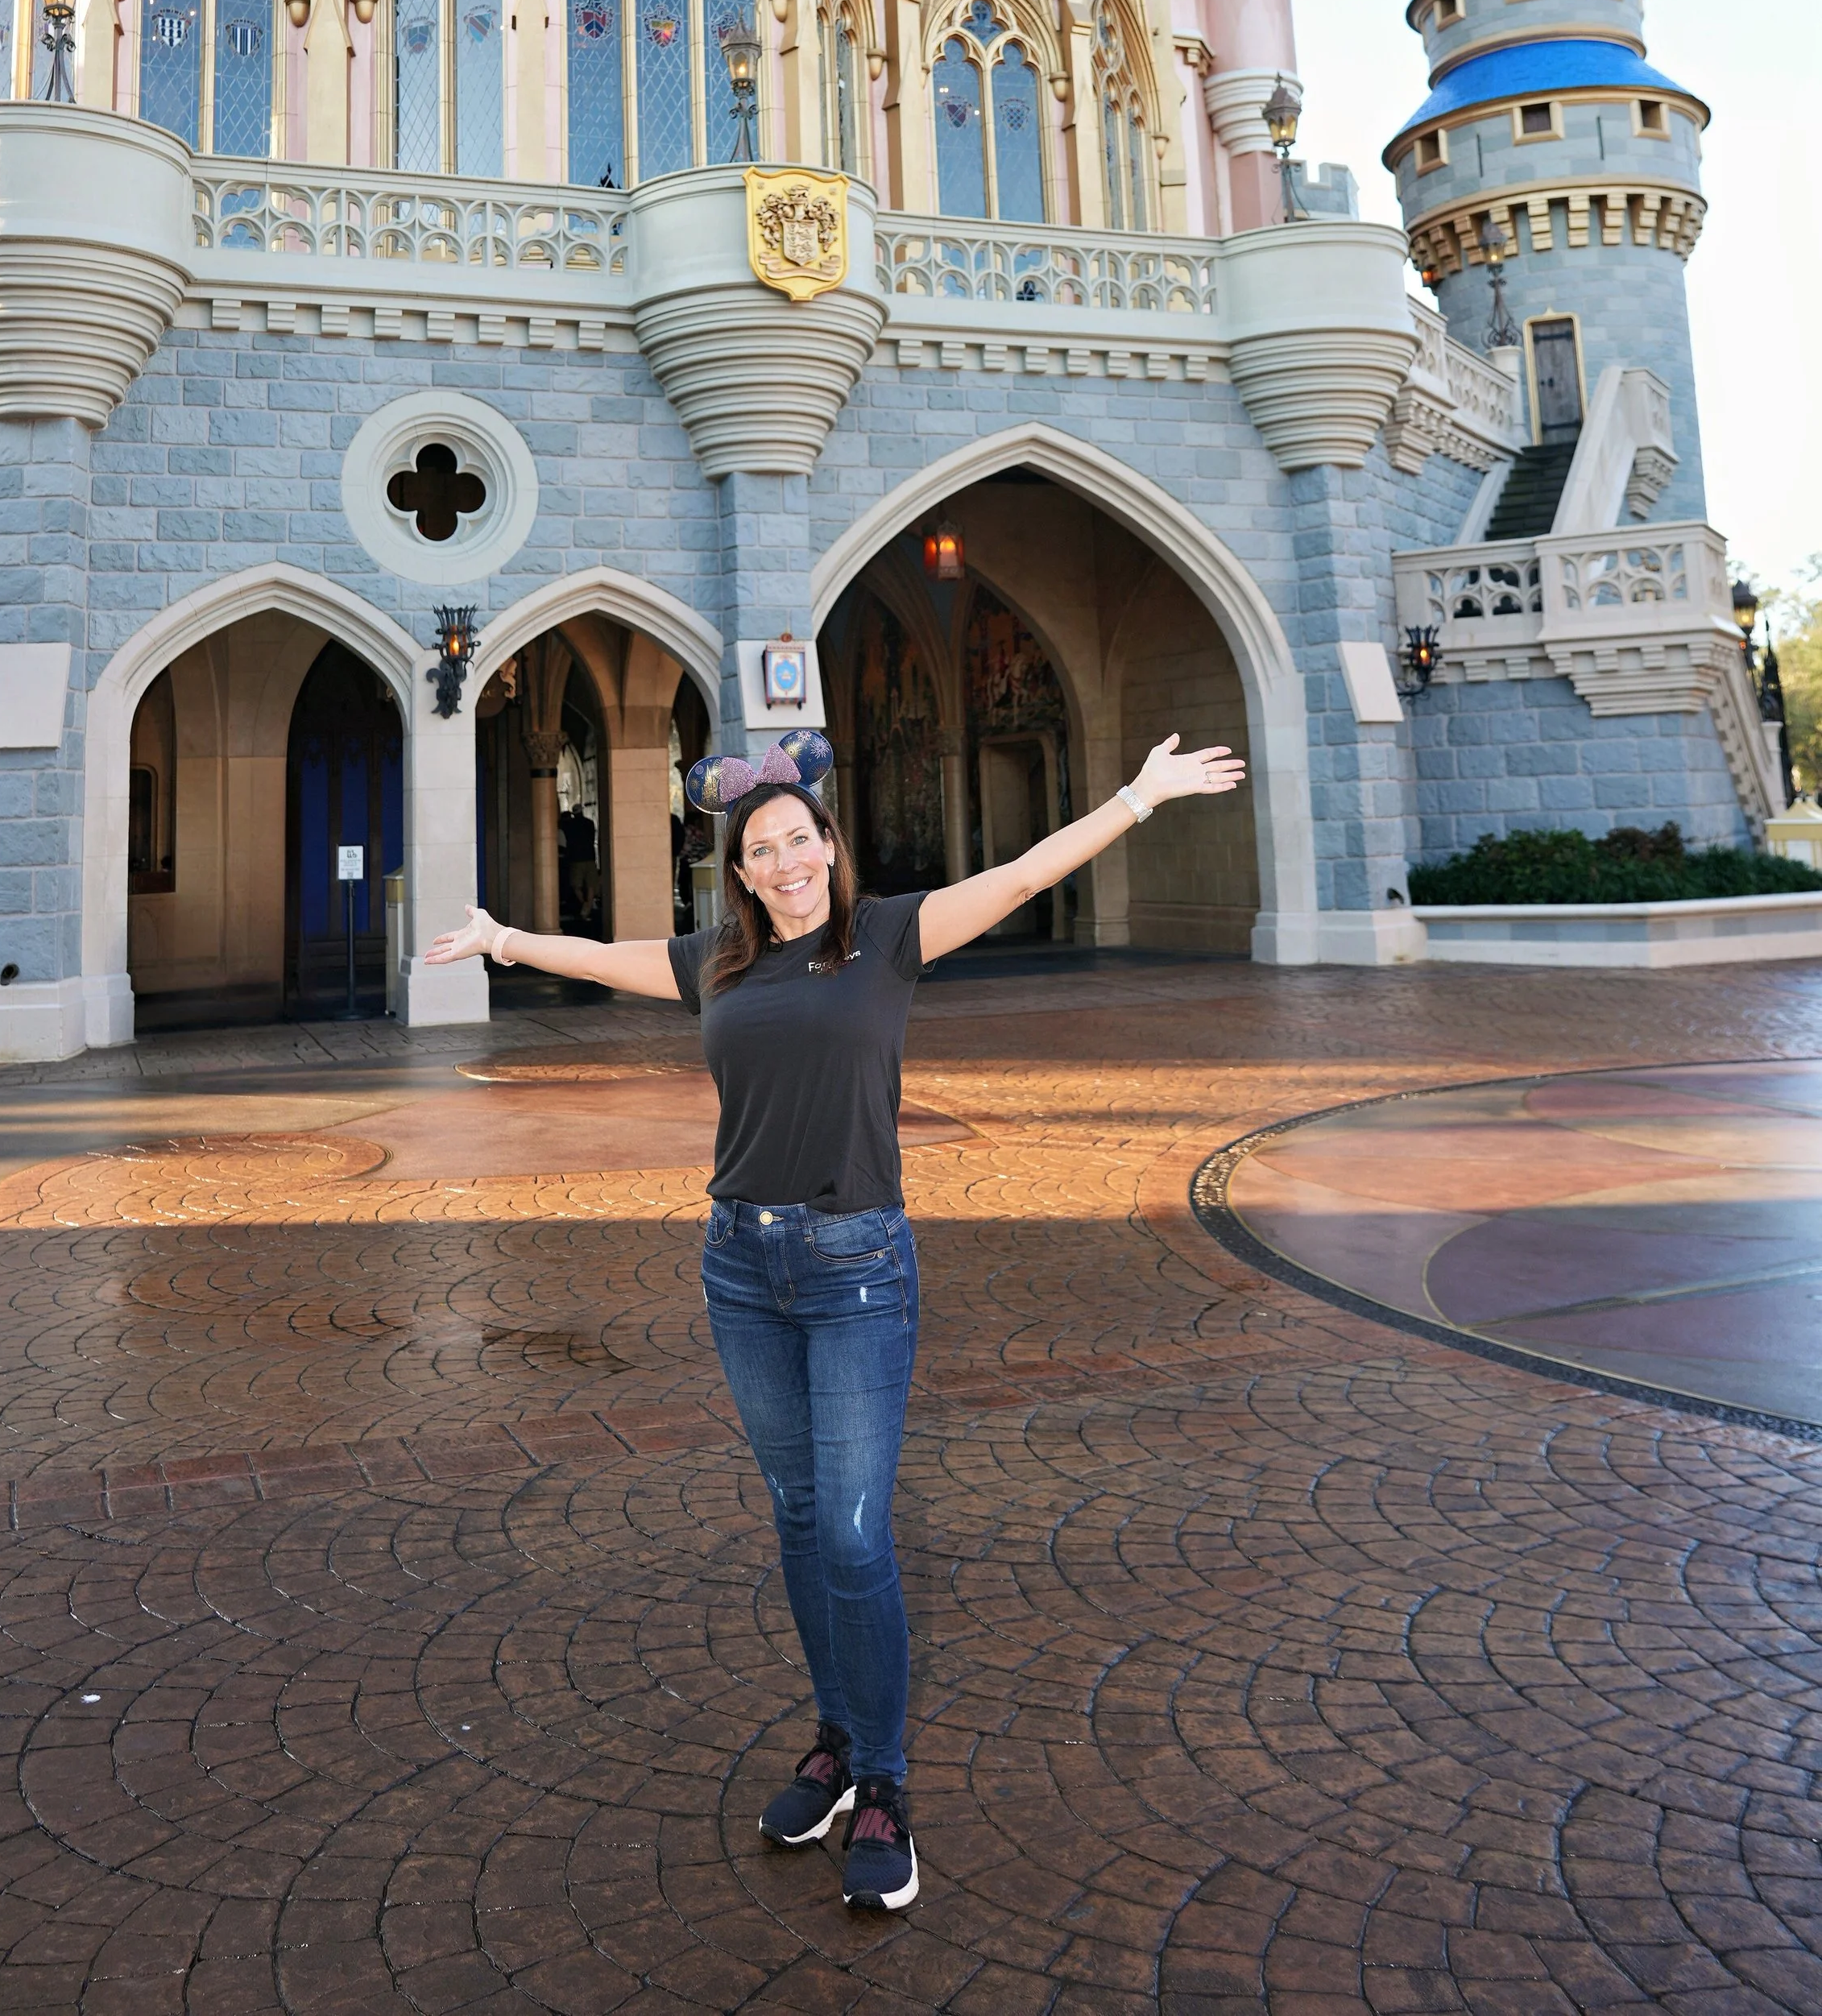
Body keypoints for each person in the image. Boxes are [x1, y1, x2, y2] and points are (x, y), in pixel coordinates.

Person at [425, 720, 1245, 1913]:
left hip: (858, 1267)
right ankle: (836, 1737)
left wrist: (1135, 797)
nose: (786, 861)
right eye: (762, 849)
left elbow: (1019, 876)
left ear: (827, 843)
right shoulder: (717, 957)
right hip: (741, 1270)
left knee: (856, 1534)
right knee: (802, 1517)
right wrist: (502, 937)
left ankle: (887, 1786)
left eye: (799, 838)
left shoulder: (888, 938)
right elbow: (608, 958)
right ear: (744, 869)